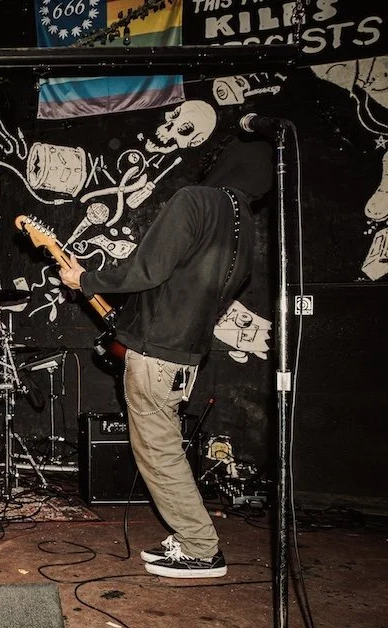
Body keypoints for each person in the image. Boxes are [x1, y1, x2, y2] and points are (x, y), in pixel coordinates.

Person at [58, 136, 274, 579]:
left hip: (157, 351)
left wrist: (86, 279)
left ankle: (200, 548)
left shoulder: (195, 199)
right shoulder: (245, 223)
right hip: (187, 353)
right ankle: (192, 539)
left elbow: (148, 269)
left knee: (159, 454)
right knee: (167, 449)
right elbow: (226, 286)